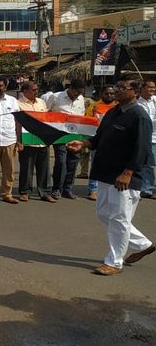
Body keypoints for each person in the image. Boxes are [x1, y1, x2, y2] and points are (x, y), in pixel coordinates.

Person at [66, 78, 154, 275]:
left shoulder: (139, 116)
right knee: (104, 213)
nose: (116, 91)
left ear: (135, 92)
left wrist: (128, 172)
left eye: (122, 88)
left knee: (119, 219)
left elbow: (143, 150)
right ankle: (144, 245)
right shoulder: (113, 112)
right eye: (116, 87)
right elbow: (99, 138)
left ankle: (114, 262)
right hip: (105, 174)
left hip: (124, 178)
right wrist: (84, 144)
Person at [47, 79, 86, 199]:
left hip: (75, 135)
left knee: (73, 162)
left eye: (80, 93)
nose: (78, 95)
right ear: (71, 88)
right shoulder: (55, 97)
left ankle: (67, 188)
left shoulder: (81, 99)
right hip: (59, 135)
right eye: (77, 92)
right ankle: (56, 189)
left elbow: (82, 116)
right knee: (61, 161)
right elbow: (47, 112)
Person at [17, 81, 55, 203]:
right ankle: (25, 191)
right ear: (25, 91)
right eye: (33, 90)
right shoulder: (18, 104)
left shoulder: (42, 103)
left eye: (37, 89)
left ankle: (44, 192)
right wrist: (19, 141)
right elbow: (17, 124)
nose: (36, 91)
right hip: (27, 141)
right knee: (26, 168)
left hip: (42, 140)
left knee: (44, 169)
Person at [86, 85, 117, 200]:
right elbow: (87, 122)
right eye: (106, 93)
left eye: (112, 93)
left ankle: (110, 190)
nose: (109, 96)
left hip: (114, 142)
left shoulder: (118, 107)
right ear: (101, 94)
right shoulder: (94, 107)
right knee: (96, 166)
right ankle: (93, 190)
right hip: (98, 140)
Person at [136, 79, 156, 199]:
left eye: (153, 87)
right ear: (142, 89)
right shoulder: (138, 103)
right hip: (147, 137)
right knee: (148, 165)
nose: (152, 90)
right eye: (149, 87)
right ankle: (147, 189)